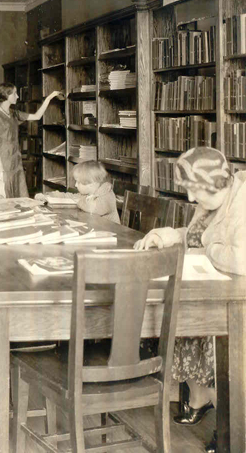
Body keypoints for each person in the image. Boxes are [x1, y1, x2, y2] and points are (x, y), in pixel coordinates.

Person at [133, 147, 246, 453]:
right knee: (183, 315)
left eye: (195, 191)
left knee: (215, 336)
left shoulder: (242, 202)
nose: (192, 200)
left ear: (214, 184)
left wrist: (206, 248)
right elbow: (196, 234)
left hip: (239, 299)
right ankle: (206, 400)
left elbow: (242, 259)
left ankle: (232, 426)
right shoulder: (214, 197)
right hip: (215, 289)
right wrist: (165, 235)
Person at [0, 83, 63, 197]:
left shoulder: (14, 113)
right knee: (5, 192)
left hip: (16, 157)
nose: (17, 96)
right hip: (3, 159)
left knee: (19, 190)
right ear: (7, 95)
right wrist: (0, 168)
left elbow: (37, 116)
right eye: (14, 93)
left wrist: (49, 98)